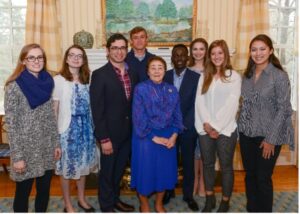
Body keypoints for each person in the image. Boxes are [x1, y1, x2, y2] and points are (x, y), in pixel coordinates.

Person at [238, 34, 294, 212]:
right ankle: (252, 209)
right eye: (254, 49)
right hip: (247, 135)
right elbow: (244, 105)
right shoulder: (246, 76)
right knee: (250, 176)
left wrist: (270, 139)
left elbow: (284, 109)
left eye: (262, 49)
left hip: (269, 135)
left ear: (270, 51)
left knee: (263, 177)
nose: (258, 53)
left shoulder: (279, 76)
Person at [4, 43, 61, 212]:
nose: (36, 61)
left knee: (44, 191)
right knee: (23, 192)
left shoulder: (47, 81)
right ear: (23, 61)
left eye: (40, 57)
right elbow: (12, 125)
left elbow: (51, 117)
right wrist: (18, 156)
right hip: (25, 150)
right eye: (31, 57)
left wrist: (56, 143)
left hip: (46, 147)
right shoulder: (13, 86)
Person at [90, 33, 138, 213]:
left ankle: (115, 199)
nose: (119, 52)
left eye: (122, 48)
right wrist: (103, 138)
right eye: (115, 48)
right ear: (107, 50)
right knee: (108, 172)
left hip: (128, 133)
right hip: (109, 135)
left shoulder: (133, 73)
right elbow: (97, 109)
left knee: (118, 171)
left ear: (127, 49)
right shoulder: (99, 75)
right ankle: (106, 206)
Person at [131, 56, 184, 213]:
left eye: (160, 67)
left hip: (168, 137)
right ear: (148, 71)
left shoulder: (172, 89)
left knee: (164, 172)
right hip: (145, 136)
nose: (156, 71)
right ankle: (144, 204)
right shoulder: (140, 88)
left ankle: (159, 203)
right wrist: (153, 137)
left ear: (164, 70)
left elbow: (178, 115)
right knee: (144, 172)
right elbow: (138, 117)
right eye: (153, 68)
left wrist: (174, 136)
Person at [195, 40, 241, 212]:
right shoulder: (204, 75)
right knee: (207, 164)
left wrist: (216, 126)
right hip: (205, 128)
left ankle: (225, 201)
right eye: (213, 53)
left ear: (226, 54)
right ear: (209, 56)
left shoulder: (234, 77)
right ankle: (209, 198)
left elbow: (232, 104)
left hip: (226, 129)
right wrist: (207, 125)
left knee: (226, 166)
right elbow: (199, 101)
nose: (217, 56)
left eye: (220, 53)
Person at [53, 44, 98, 213]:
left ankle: (81, 198)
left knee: (83, 167)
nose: (76, 58)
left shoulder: (89, 78)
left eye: (80, 55)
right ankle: (68, 203)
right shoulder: (58, 80)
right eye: (72, 55)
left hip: (86, 129)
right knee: (67, 168)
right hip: (67, 131)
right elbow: (54, 110)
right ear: (66, 58)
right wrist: (55, 137)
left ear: (83, 60)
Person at [163, 44, 200, 211]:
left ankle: (188, 195)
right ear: (172, 58)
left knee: (187, 163)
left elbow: (196, 105)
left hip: (187, 128)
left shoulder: (196, 77)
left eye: (182, 55)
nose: (179, 58)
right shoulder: (165, 76)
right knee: (169, 162)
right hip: (168, 129)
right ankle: (169, 191)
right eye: (176, 55)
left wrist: (183, 125)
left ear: (188, 58)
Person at [188, 38, 208, 197]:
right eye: (195, 49)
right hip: (191, 116)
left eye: (201, 49)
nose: (198, 52)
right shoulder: (188, 70)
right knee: (194, 152)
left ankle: (203, 182)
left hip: (207, 117)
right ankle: (195, 180)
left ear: (206, 51)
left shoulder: (212, 70)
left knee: (204, 151)